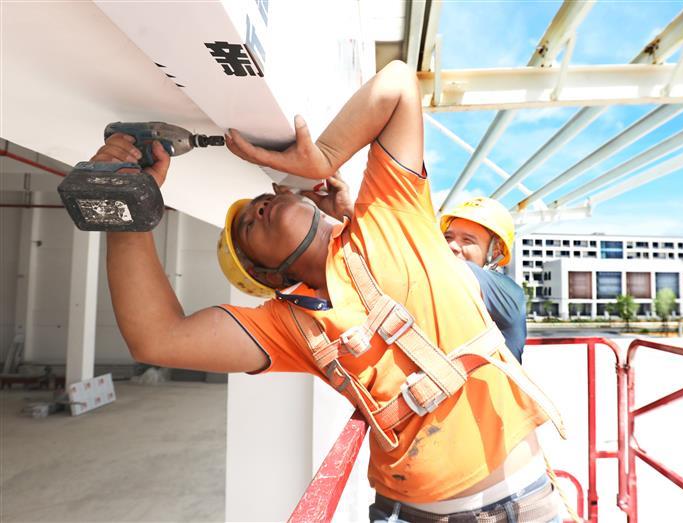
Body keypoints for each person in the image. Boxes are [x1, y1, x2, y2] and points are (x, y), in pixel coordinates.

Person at [92, 61, 564, 522]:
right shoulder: (289, 323)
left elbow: (398, 82)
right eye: (248, 227)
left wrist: (327, 155)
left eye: (261, 201)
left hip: (517, 505)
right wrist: (124, 205)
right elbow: (158, 338)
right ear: (268, 275)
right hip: (406, 511)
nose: (258, 208)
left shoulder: (388, 216)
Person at [441, 197, 527, 363]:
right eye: (447, 237)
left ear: (495, 251)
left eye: (467, 240)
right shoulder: (442, 287)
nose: (452, 246)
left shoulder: (510, 292)